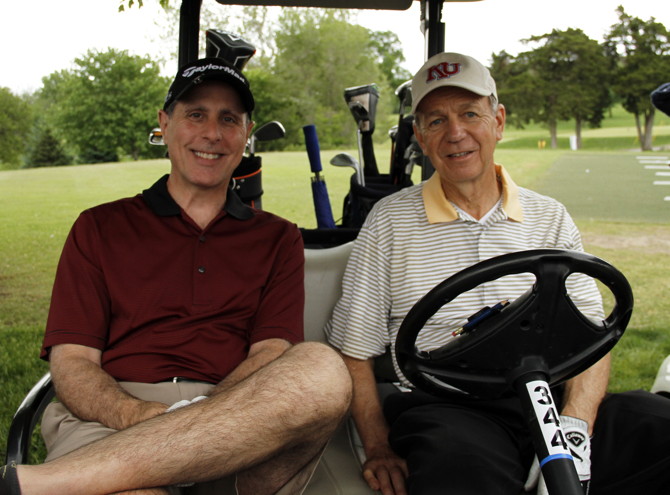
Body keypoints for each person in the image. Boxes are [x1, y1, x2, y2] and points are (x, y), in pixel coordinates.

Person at [0, 58, 352, 495]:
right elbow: (72, 362)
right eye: (195, 115)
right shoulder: (99, 227)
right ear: (165, 125)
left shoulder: (276, 238)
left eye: (229, 119)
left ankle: (32, 485)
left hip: (237, 418)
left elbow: (272, 351)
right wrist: (138, 417)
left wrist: (197, 424)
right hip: (114, 418)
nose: (212, 133)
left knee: (322, 367)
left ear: (246, 134)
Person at [325, 52, 670, 495]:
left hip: (553, 396)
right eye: (435, 121)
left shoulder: (550, 217)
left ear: (499, 121)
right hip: (451, 405)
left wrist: (576, 429)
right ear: (420, 137)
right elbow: (355, 350)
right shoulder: (389, 221)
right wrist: (377, 447)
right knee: (460, 468)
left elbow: (592, 337)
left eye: (471, 114)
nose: (456, 133)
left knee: (657, 426)